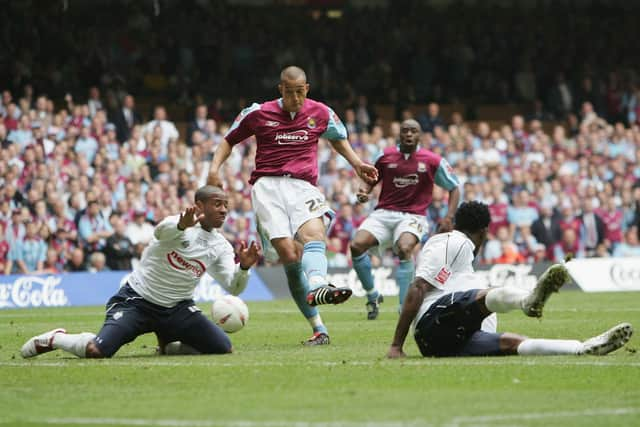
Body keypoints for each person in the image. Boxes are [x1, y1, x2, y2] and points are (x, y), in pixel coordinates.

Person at [207, 66, 378, 345]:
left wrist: (357, 164)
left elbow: (338, 139)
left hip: (302, 186)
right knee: (289, 254)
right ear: (280, 90)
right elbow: (228, 141)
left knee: (314, 235)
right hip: (267, 186)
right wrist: (215, 170)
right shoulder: (257, 113)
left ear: (307, 89)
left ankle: (319, 285)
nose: (295, 98)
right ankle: (318, 326)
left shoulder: (321, 112)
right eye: (289, 92)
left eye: (300, 92)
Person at [21, 186, 260, 359]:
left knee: (222, 347)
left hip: (177, 308)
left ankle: (168, 346)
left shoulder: (221, 246)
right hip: (136, 303)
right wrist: (181, 225)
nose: (224, 210)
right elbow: (160, 233)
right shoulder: (177, 225)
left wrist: (245, 268)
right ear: (199, 206)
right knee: (97, 351)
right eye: (217, 204)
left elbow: (233, 287)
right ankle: (56, 339)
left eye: (226, 205)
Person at [387, 201, 633, 359]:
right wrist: (397, 345)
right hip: (432, 325)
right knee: (487, 295)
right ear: (484, 231)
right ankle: (528, 301)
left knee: (513, 343)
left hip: (444, 345)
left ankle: (581, 347)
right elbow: (418, 287)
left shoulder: (460, 261)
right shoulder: (453, 240)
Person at [350, 119, 460, 319]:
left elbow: (454, 187)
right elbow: (371, 180)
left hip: (413, 215)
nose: (409, 134)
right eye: (405, 131)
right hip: (384, 213)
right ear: (399, 135)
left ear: (420, 136)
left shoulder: (433, 160)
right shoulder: (385, 156)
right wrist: (364, 192)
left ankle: (404, 308)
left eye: (413, 131)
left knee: (404, 248)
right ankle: (372, 295)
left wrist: (449, 216)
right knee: (356, 246)